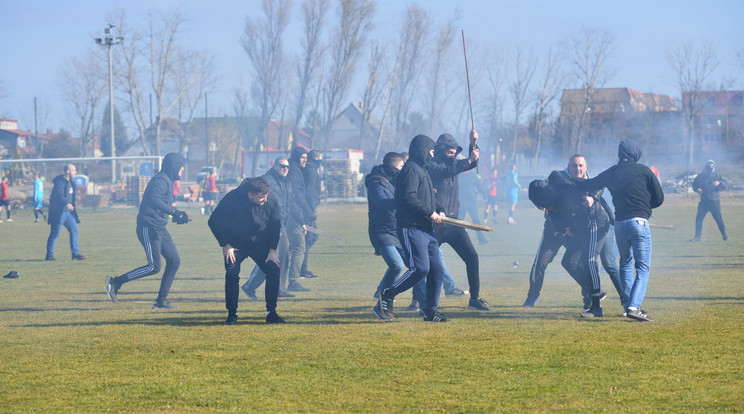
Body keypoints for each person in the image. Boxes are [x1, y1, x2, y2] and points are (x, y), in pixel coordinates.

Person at [523, 155, 624, 309]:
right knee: (543, 262)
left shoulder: (576, 190)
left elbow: (597, 191)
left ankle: (600, 297)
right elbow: (542, 188)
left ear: (586, 166)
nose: (577, 169)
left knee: (592, 262)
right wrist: (541, 206)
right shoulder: (557, 178)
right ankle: (532, 297)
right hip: (556, 228)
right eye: (574, 166)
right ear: (568, 166)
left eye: (580, 166)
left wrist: (591, 198)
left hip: (584, 225)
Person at [578, 139, 664, 322]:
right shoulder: (644, 170)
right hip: (639, 223)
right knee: (642, 268)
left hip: (620, 225)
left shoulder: (612, 171)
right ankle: (633, 307)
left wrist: (577, 181)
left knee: (625, 262)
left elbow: (590, 184)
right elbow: (659, 199)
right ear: (635, 154)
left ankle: (627, 304)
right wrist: (645, 205)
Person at [378, 134, 448, 322]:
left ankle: (430, 311)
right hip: (411, 228)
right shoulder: (410, 170)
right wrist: (428, 211)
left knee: (436, 270)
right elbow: (408, 198)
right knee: (420, 268)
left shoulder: (423, 171)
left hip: (426, 229)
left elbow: (429, 198)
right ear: (423, 151)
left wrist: (439, 209)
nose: (433, 156)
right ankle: (387, 293)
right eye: (431, 152)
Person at [106, 153, 189, 309]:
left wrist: (176, 216)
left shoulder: (167, 181)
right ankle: (116, 282)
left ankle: (161, 301)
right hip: (148, 227)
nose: (183, 169)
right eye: (181, 165)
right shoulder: (161, 180)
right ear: (174, 166)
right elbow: (154, 199)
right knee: (153, 267)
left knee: (174, 261)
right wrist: (174, 211)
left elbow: (159, 205)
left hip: (159, 227)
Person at [208, 177, 286, 325]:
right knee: (231, 274)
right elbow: (214, 221)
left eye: (266, 196)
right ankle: (232, 315)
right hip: (235, 244)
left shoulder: (271, 199)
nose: (265, 199)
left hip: (260, 243)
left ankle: (271, 313)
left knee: (273, 270)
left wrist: (272, 250)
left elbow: (275, 225)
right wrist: (225, 245)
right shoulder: (232, 198)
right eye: (261, 197)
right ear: (250, 194)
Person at [428, 129, 490, 311]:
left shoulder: (454, 164)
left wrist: (474, 144)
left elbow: (470, 164)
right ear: (440, 149)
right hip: (436, 222)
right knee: (425, 264)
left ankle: (475, 299)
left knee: (472, 257)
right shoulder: (433, 165)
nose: (453, 152)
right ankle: (419, 300)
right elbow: (449, 170)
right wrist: (469, 159)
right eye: (449, 150)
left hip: (454, 222)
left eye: (455, 150)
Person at [366, 152, 426, 318]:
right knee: (397, 265)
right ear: (393, 166)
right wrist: (404, 201)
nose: (403, 170)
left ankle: (426, 306)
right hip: (381, 231)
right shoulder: (375, 181)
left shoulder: (397, 180)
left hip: (397, 229)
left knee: (417, 268)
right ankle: (381, 304)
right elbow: (381, 202)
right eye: (401, 167)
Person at [241, 157, 299, 299]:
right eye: (282, 166)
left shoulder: (286, 183)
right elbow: (250, 192)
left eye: (287, 167)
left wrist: (301, 221)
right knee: (269, 259)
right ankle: (249, 286)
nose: (285, 169)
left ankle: (280, 289)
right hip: (267, 225)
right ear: (275, 166)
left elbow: (290, 204)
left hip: (281, 224)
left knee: (284, 257)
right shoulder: (266, 180)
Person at [45, 164, 87, 261]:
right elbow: (58, 195)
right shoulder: (59, 182)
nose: (75, 172)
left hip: (68, 214)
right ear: (68, 171)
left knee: (74, 230)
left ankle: (75, 254)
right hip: (59, 213)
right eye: (74, 170)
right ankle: (49, 255)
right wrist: (67, 203)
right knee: (55, 234)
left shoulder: (72, 183)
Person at [286, 146, 314, 292]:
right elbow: (296, 194)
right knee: (298, 248)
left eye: (306, 157)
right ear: (296, 157)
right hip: (293, 215)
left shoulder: (292, 168)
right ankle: (293, 282)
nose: (305, 160)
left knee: (288, 249)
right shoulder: (295, 171)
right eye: (302, 157)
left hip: (289, 213)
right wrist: (307, 211)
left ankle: (280, 280)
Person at [690, 160, 728, 241]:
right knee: (699, 219)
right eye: (709, 166)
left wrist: (719, 183)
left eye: (712, 166)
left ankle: (724, 235)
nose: (711, 167)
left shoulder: (717, 175)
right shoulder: (700, 176)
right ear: (706, 166)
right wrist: (697, 189)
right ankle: (697, 237)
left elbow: (725, 184)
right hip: (703, 201)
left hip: (714, 202)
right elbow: (694, 185)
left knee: (718, 219)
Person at [300, 149, 322, 279]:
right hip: (309, 209)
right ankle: (302, 269)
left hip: (308, 208)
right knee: (309, 239)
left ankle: (300, 266)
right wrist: (311, 207)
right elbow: (310, 190)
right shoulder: (312, 169)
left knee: (311, 238)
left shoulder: (309, 168)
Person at [458, 168, 489, 245]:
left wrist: (485, 196)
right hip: (461, 202)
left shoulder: (472, 175)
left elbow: (479, 186)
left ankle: (481, 239)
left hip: (471, 202)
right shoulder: (459, 176)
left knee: (476, 220)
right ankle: (458, 240)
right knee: (459, 222)